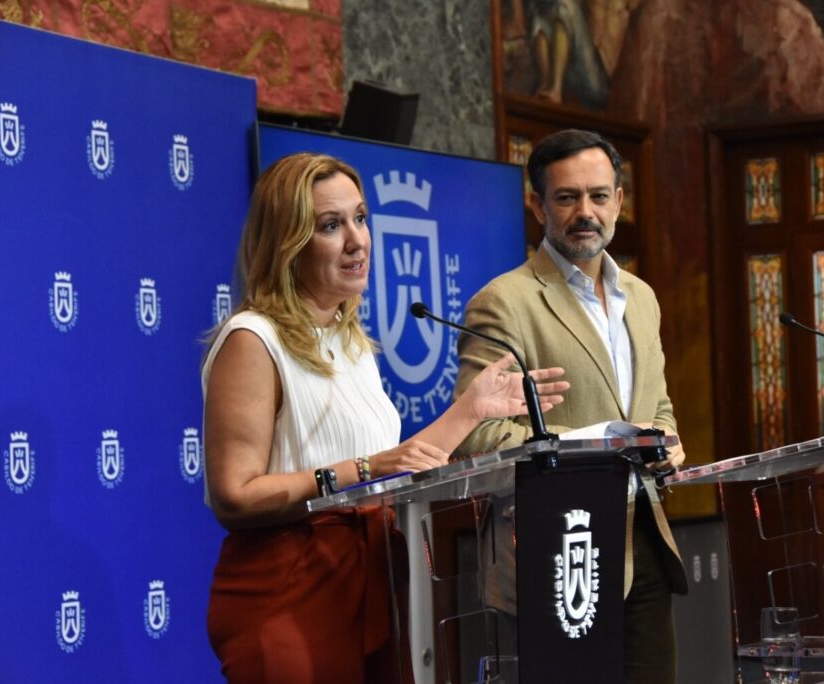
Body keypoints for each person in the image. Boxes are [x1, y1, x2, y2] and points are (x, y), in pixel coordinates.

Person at [200, 152, 568, 684]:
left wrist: (471, 410)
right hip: (289, 589)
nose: (357, 240)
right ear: (288, 242)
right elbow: (235, 495)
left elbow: (393, 462)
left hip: (372, 576)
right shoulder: (253, 341)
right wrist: (363, 470)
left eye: (360, 218)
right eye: (331, 226)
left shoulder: (349, 342)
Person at [453, 129, 689, 684]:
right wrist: (600, 443)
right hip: (558, 548)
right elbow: (478, 437)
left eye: (599, 196)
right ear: (537, 204)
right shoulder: (503, 303)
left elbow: (658, 406)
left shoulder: (642, 296)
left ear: (619, 201)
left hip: (646, 541)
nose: (586, 212)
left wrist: (665, 442)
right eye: (566, 198)